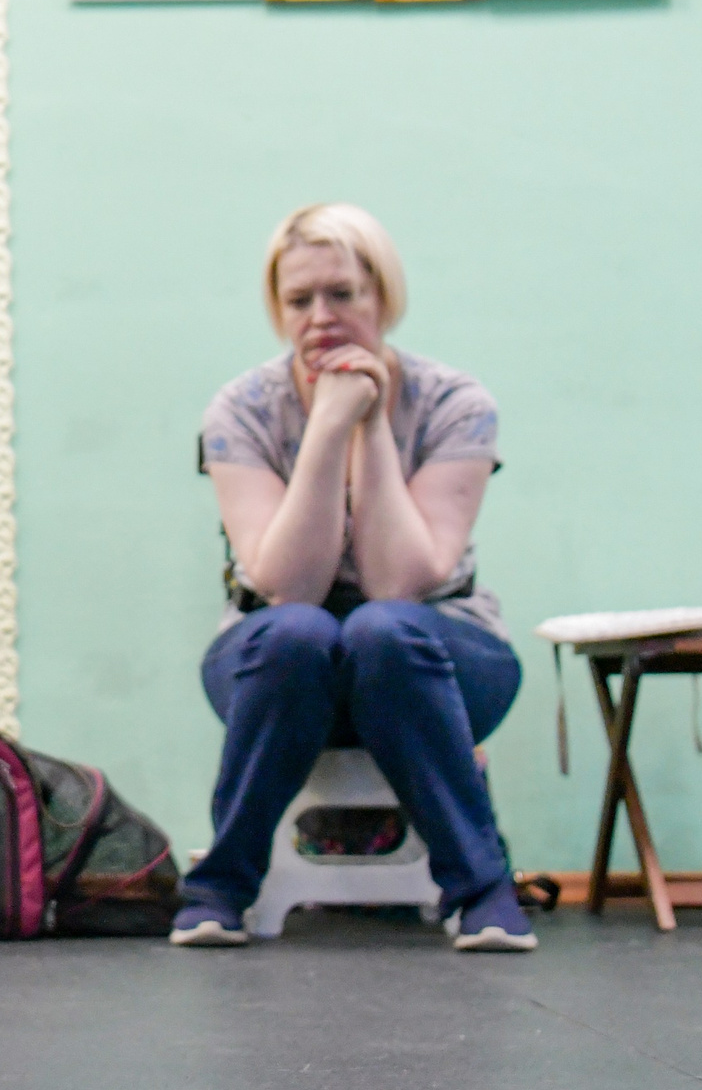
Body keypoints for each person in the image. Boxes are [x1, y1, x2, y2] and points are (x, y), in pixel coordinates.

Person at [177, 204, 531, 952]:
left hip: (439, 657)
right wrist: (328, 425)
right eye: (300, 299)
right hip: (279, 663)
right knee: (301, 630)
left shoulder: (456, 404)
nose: (321, 317)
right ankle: (218, 888)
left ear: (384, 296)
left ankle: (482, 889)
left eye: (343, 294)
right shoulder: (241, 410)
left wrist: (369, 424)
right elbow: (289, 585)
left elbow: (399, 580)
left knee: (382, 627)